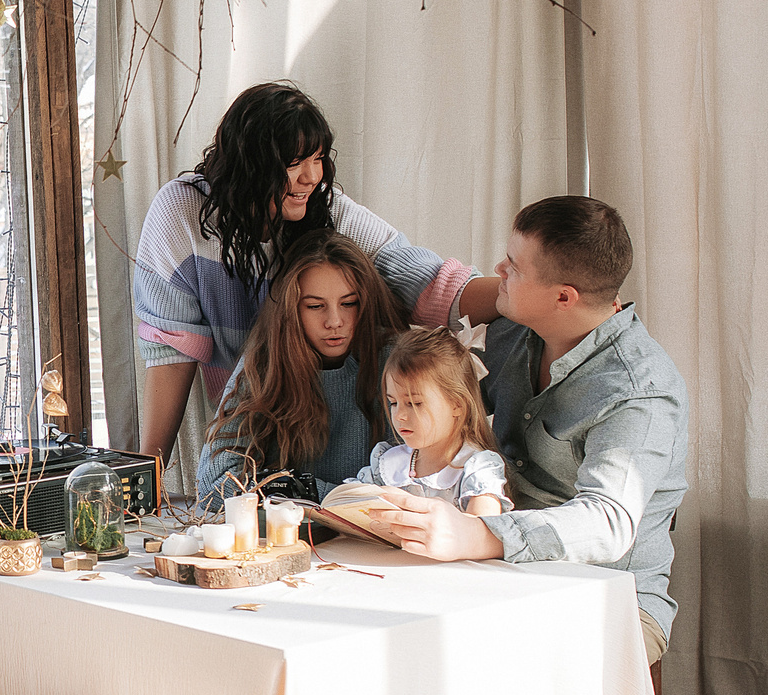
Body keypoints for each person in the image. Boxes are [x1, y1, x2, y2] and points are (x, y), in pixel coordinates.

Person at [378, 196, 689, 665]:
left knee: (474, 665)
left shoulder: (638, 391)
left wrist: (480, 534)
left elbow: (608, 522)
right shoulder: (512, 333)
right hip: (496, 577)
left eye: (515, 266)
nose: (499, 269)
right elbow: (444, 403)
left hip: (610, 597)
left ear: (563, 297)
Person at [133, 83, 491, 484]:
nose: (312, 176)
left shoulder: (326, 208)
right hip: (259, 401)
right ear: (252, 163)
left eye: (318, 159)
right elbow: (170, 351)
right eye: (294, 163)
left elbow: (431, 283)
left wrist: (518, 293)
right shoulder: (180, 213)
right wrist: (147, 478)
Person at [193, 232, 403, 503]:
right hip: (288, 526)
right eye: (315, 306)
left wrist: (286, 489)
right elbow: (214, 484)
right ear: (291, 309)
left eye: (348, 303)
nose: (334, 321)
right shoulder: (265, 360)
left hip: (370, 527)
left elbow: (410, 485)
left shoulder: (395, 359)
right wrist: (326, 496)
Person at [355, 328, 508, 516]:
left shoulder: (477, 469)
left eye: (414, 403)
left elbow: (483, 526)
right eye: (393, 403)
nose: (399, 415)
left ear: (457, 404)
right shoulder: (387, 464)